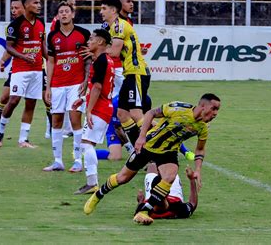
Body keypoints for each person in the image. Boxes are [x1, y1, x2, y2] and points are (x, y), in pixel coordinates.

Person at [83, 93, 221, 226]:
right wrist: (141, 137)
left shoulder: (203, 127)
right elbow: (150, 113)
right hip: (148, 145)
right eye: (213, 108)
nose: (215, 113)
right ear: (203, 105)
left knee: (170, 176)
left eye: (217, 110)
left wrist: (198, 169)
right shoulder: (178, 108)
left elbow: (200, 149)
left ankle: (145, 210)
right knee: (122, 178)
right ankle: (98, 194)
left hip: (168, 152)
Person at [0, 0, 47, 148]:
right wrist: (23, 57)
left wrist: (51, 59)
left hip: (37, 69)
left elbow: (42, 45)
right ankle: (0, 132)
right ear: (26, 5)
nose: (39, 5)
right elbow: (9, 47)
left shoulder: (41, 23)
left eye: (39, 2)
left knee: (30, 104)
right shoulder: (15, 25)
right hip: (20, 69)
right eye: (35, 3)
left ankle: (23, 139)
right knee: (14, 100)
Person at [43, 2, 91, 172]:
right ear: (57, 16)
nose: (63, 14)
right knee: (56, 121)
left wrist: (86, 80)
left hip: (76, 84)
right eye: (60, 12)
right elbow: (50, 61)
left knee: (75, 118)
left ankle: (78, 160)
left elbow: (88, 59)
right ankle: (58, 161)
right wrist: (48, 87)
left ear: (72, 14)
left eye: (66, 12)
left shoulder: (83, 33)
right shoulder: (52, 36)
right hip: (57, 84)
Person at [100, 0, 151, 146]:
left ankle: (160, 141)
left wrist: (95, 51)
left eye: (104, 8)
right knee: (122, 114)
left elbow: (114, 52)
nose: (101, 11)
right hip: (129, 73)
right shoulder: (112, 27)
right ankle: (140, 151)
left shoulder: (119, 26)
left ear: (113, 10)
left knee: (135, 113)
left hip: (137, 72)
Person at [71, 29, 115, 195]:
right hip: (103, 106)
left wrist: (88, 111)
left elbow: (97, 87)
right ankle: (92, 182)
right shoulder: (106, 60)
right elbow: (101, 87)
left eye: (91, 39)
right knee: (87, 143)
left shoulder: (101, 61)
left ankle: (92, 183)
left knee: (86, 143)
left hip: (99, 109)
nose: (88, 42)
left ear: (101, 42)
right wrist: (83, 100)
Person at [0, 0, 25, 144]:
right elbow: (11, 47)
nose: (13, 11)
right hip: (17, 69)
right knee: (4, 98)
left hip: (36, 68)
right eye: (12, 8)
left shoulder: (35, 24)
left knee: (46, 100)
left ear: (25, 8)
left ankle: (53, 132)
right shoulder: (12, 27)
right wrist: (3, 60)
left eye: (16, 8)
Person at [50, 0, 77, 138]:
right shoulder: (56, 25)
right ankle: (53, 129)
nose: (74, 5)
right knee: (58, 104)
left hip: (70, 70)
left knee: (68, 103)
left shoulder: (78, 31)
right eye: (72, 3)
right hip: (58, 64)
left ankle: (68, 129)